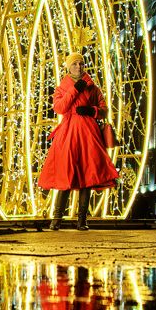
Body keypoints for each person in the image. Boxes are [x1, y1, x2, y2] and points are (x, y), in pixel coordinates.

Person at [38, 52, 118, 230]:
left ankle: (82, 220)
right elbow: (59, 108)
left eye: (81, 64)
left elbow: (104, 109)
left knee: (88, 175)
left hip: (89, 133)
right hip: (69, 133)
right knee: (67, 172)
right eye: (74, 64)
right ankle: (57, 219)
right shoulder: (62, 88)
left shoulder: (92, 87)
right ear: (68, 67)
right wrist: (75, 89)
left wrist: (92, 111)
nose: (78, 67)